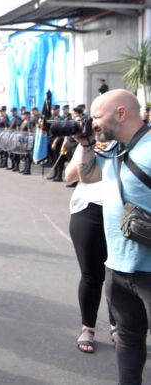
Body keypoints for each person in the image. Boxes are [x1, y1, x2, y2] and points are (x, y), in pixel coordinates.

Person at [71, 89, 151, 385]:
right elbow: (88, 175)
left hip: (148, 269)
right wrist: (86, 144)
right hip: (118, 265)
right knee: (129, 338)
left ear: (121, 114)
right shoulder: (118, 148)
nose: (92, 122)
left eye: (97, 116)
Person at [64, 143, 116, 354]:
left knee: (119, 274)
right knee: (92, 275)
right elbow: (70, 177)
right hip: (89, 210)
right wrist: (89, 148)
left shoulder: (136, 141)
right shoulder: (89, 144)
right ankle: (88, 327)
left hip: (123, 212)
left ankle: (117, 326)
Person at [19, 111, 34, 175]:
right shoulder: (23, 122)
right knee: (24, 156)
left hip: (27, 141)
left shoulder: (29, 122)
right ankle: (25, 168)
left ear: (28, 115)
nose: (22, 116)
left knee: (27, 155)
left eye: (24, 114)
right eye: (22, 115)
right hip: (22, 140)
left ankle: (28, 169)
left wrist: (27, 141)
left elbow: (30, 132)